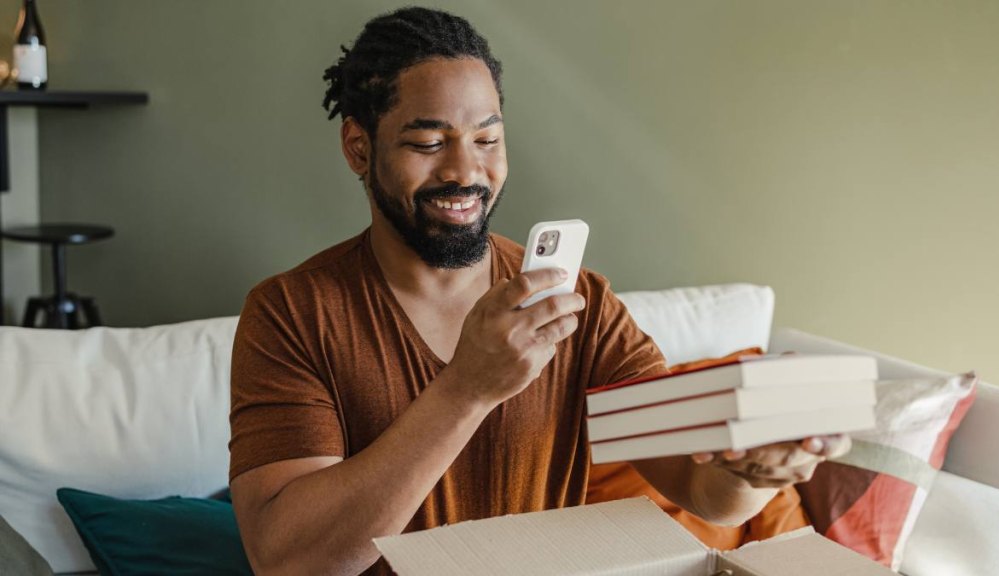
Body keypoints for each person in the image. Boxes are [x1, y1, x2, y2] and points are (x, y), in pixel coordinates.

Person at [228, 7, 848, 576]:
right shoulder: (290, 314)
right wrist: (466, 389)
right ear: (359, 147)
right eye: (428, 142)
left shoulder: (582, 304)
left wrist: (755, 472)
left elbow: (702, 491)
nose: (465, 171)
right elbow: (289, 561)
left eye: (486, 138)